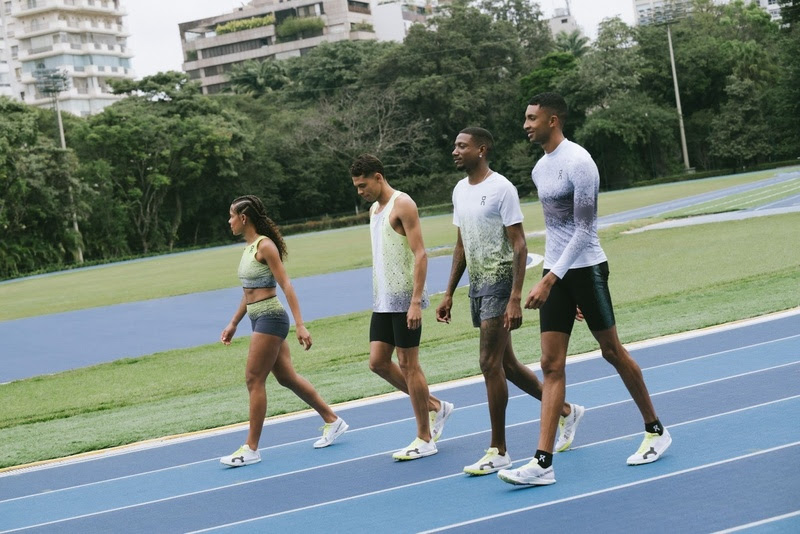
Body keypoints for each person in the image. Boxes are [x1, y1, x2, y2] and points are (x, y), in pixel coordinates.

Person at [498, 93, 672, 487]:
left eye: (532, 118)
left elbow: (585, 230)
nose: (526, 125)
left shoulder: (580, 162)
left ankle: (656, 430)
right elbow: (556, 230)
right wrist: (552, 275)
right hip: (558, 273)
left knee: (612, 351)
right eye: (525, 118)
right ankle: (542, 463)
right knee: (550, 364)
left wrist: (550, 279)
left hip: (587, 269)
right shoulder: (540, 169)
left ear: (553, 120)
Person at [436, 127, 584, 476]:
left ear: (481, 150)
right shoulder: (459, 190)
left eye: (462, 146)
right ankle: (566, 411)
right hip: (477, 287)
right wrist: (449, 292)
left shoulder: (501, 188)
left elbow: (519, 244)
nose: (454, 151)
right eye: (454, 145)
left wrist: (515, 297)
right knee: (509, 365)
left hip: (500, 285)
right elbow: (461, 245)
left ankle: (499, 450)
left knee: (488, 363)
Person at [219, 195, 348, 467]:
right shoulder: (248, 248)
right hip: (258, 318)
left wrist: (300, 324)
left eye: (231, 216)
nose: (228, 221)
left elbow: (286, 285)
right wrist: (234, 323)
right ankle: (333, 420)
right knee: (287, 377)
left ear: (243, 218)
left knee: (254, 379)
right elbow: (248, 293)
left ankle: (251, 448)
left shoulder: (265, 246)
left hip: (271, 318)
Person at [350, 154, 454, 461]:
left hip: (405, 299)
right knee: (378, 362)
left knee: (409, 366)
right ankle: (434, 406)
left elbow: (421, 254)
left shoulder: (403, 204)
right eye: (356, 187)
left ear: (378, 177)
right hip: (383, 300)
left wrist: (415, 302)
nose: (360, 191)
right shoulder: (374, 209)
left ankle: (425, 437)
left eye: (363, 185)